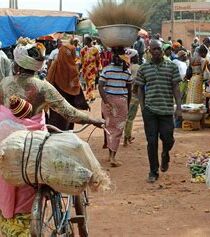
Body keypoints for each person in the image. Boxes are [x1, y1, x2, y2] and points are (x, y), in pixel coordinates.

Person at [0, 38, 103, 237]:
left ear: (15, 64)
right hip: (32, 143)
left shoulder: (4, 84)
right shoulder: (43, 87)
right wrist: (92, 120)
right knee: (36, 173)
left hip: (5, 141)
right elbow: (70, 113)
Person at [135, 40, 182, 183]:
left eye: (159, 49)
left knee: (168, 138)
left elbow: (176, 87)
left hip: (167, 110)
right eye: (153, 49)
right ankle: (153, 171)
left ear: (162, 50)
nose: (156, 51)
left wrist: (179, 107)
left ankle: (165, 153)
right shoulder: (143, 68)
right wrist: (143, 107)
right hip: (150, 110)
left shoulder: (172, 66)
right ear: (149, 51)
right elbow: (139, 89)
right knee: (151, 141)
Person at [98, 47, 132, 167]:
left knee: (109, 127)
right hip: (121, 102)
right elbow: (129, 89)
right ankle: (112, 157)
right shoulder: (126, 71)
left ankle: (110, 155)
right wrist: (127, 103)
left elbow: (100, 86)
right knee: (118, 129)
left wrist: (106, 101)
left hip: (108, 101)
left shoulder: (107, 70)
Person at [47, 44, 89, 130]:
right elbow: (76, 88)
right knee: (67, 126)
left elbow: (48, 81)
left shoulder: (54, 65)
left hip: (55, 102)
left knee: (55, 124)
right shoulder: (72, 69)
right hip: (68, 103)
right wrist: (83, 102)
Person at [124, 49, 140, 147]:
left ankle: (127, 136)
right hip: (134, 95)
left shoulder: (126, 67)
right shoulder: (137, 67)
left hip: (124, 94)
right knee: (130, 117)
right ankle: (127, 137)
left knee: (125, 116)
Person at [80, 37, 102, 102]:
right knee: (87, 83)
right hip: (85, 69)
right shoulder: (83, 50)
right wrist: (80, 68)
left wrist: (98, 68)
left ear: (89, 41)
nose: (84, 41)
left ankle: (88, 96)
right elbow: (81, 60)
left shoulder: (95, 50)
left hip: (92, 69)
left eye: (85, 40)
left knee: (91, 82)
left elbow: (98, 60)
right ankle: (92, 96)